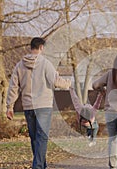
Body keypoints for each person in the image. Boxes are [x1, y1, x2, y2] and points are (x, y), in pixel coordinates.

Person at [6, 37, 71, 169]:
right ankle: (38, 166)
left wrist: (9, 106)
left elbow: (13, 86)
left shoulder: (20, 65)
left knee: (35, 138)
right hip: (43, 106)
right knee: (42, 137)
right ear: (41, 47)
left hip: (28, 106)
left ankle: (42, 165)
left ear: (31, 47)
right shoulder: (45, 63)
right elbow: (56, 82)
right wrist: (69, 84)